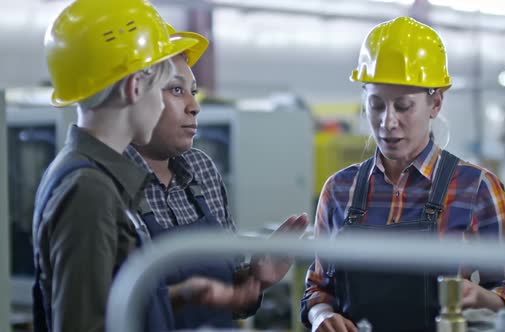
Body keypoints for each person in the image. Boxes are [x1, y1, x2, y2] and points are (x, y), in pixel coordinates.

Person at [300, 17, 505, 332]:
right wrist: (320, 314)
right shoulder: (339, 190)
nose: (388, 122)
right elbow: (317, 287)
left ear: (436, 103)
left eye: (403, 107)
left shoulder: (476, 189)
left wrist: (480, 297)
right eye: (376, 105)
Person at [123, 25, 309, 329]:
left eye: (193, 92)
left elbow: (233, 301)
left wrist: (254, 278)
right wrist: (187, 295)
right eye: (176, 90)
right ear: (134, 93)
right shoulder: (109, 183)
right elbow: (102, 308)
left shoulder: (201, 170)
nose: (194, 106)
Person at [31, 0, 201, 331]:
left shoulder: (97, 176)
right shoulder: (88, 190)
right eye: (163, 89)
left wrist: (178, 296)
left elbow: (108, 300)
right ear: (134, 87)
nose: (164, 104)